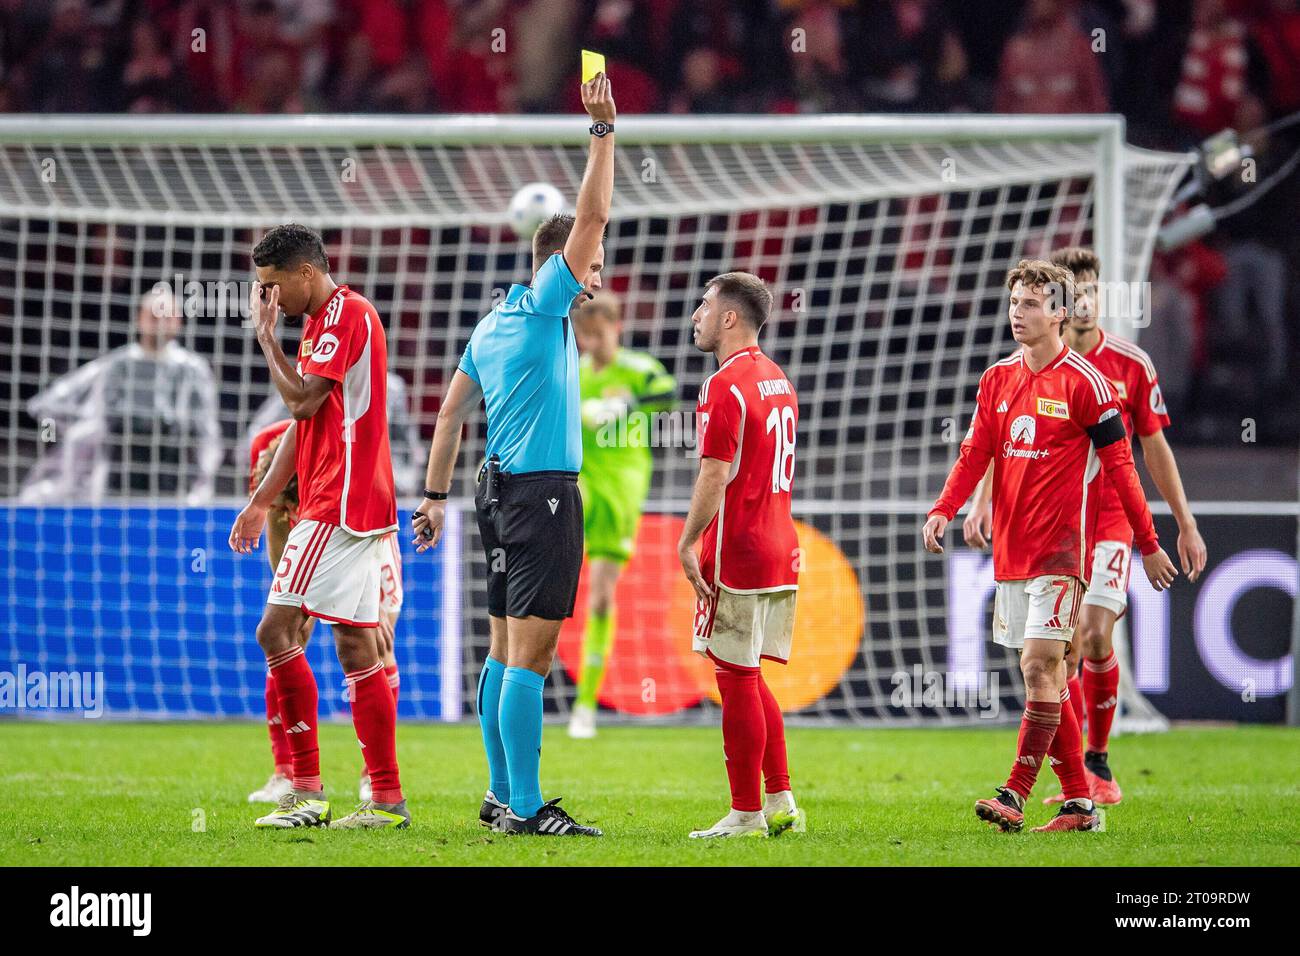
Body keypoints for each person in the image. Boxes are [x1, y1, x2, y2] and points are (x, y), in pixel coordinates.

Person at [411, 72, 616, 838]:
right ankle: (527, 809)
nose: (597, 277)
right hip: (542, 494)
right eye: (589, 266)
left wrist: (432, 500)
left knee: (500, 650)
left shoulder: (491, 323)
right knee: (530, 655)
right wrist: (602, 132)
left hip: (490, 492)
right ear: (560, 265)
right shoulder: (542, 303)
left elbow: (450, 413)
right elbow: (592, 214)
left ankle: (501, 797)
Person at [923, 259, 1177, 834]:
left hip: (1065, 552)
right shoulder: (997, 379)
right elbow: (974, 454)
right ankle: (1081, 806)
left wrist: (1150, 542)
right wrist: (944, 506)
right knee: (1045, 678)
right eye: (1015, 303)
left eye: (1032, 304)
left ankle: (1014, 792)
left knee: (1041, 665)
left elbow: (1122, 470)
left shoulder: (1087, 383)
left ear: (1060, 313)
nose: (1019, 313)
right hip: (1013, 553)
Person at [229, 223, 407, 830]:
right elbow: (305, 426)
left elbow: (301, 403)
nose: (269, 299)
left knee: (275, 631)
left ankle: (304, 790)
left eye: (273, 285)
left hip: (338, 501)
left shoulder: (343, 314)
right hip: (356, 504)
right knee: (357, 645)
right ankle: (385, 799)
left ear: (306, 272)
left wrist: (266, 342)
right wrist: (261, 501)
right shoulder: (322, 322)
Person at [679, 272, 806, 840]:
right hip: (781, 546)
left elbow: (715, 472)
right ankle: (781, 803)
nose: (696, 316)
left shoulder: (723, 384)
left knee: (734, 679)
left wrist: (688, 541)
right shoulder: (777, 378)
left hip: (739, 549)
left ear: (730, 317)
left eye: (704, 306)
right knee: (750, 677)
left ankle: (745, 814)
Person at [241, 418, 405, 806]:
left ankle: (374, 780)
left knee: (378, 643)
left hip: (366, 526)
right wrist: (298, 602)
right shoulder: (266, 448)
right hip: (310, 525)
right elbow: (277, 538)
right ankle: (286, 773)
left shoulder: (352, 438)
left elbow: (379, 518)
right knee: (285, 634)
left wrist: (381, 608)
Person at [567, 292, 677, 739]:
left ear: (615, 328)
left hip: (623, 487)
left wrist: (624, 407)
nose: (590, 343)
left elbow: (666, 391)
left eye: (597, 334)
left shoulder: (636, 368)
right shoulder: (573, 372)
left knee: (599, 599)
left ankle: (585, 705)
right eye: (583, 335)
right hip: (581, 479)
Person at [24, 286, 221, 505]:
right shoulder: (117, 366)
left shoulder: (193, 370)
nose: (161, 323)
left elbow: (207, 433)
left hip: (172, 478)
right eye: (154, 316)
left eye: (168, 316)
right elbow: (48, 407)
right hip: (117, 478)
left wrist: (203, 483)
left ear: (178, 320)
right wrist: (55, 440)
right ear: (140, 319)